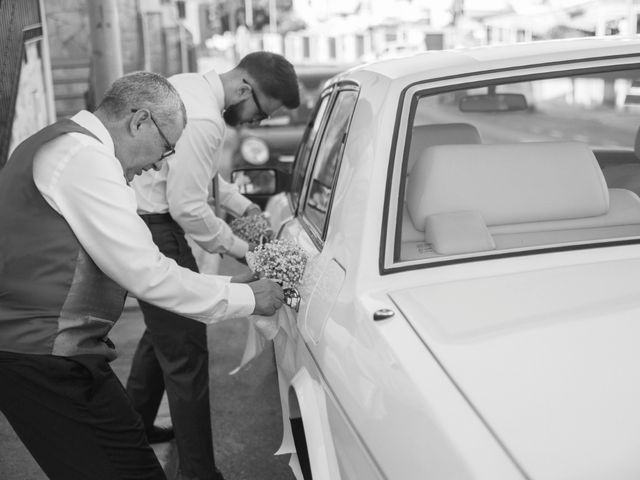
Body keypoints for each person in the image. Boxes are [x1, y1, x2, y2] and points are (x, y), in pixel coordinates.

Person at [0, 71, 284, 480]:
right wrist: (249, 298)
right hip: (43, 356)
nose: (157, 166)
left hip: (51, 353)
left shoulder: (70, 145)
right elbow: (146, 274)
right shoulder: (85, 158)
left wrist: (228, 285)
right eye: (165, 150)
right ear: (139, 121)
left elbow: (145, 267)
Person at [126, 51, 300, 480]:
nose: (256, 124)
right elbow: (187, 206)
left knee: (163, 333)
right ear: (245, 88)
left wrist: (245, 209)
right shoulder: (204, 119)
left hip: (147, 220)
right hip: (159, 229)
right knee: (186, 355)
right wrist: (241, 249)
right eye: (261, 114)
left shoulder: (189, 85)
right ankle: (199, 473)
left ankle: (137, 426)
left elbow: (201, 177)